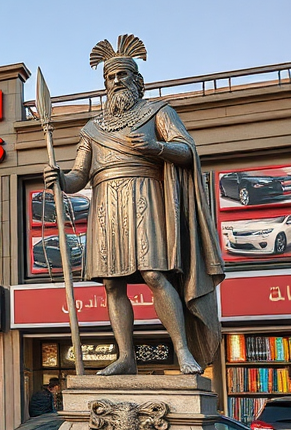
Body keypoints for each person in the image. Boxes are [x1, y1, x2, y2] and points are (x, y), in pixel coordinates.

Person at [43, 34, 224, 376]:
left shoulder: (158, 112)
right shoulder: (92, 128)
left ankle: (183, 350)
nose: (116, 82)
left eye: (122, 75)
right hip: (106, 205)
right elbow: (79, 176)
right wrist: (58, 180)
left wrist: (156, 148)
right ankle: (126, 355)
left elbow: (186, 151)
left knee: (154, 273)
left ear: (138, 81)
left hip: (146, 196)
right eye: (110, 78)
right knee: (112, 283)